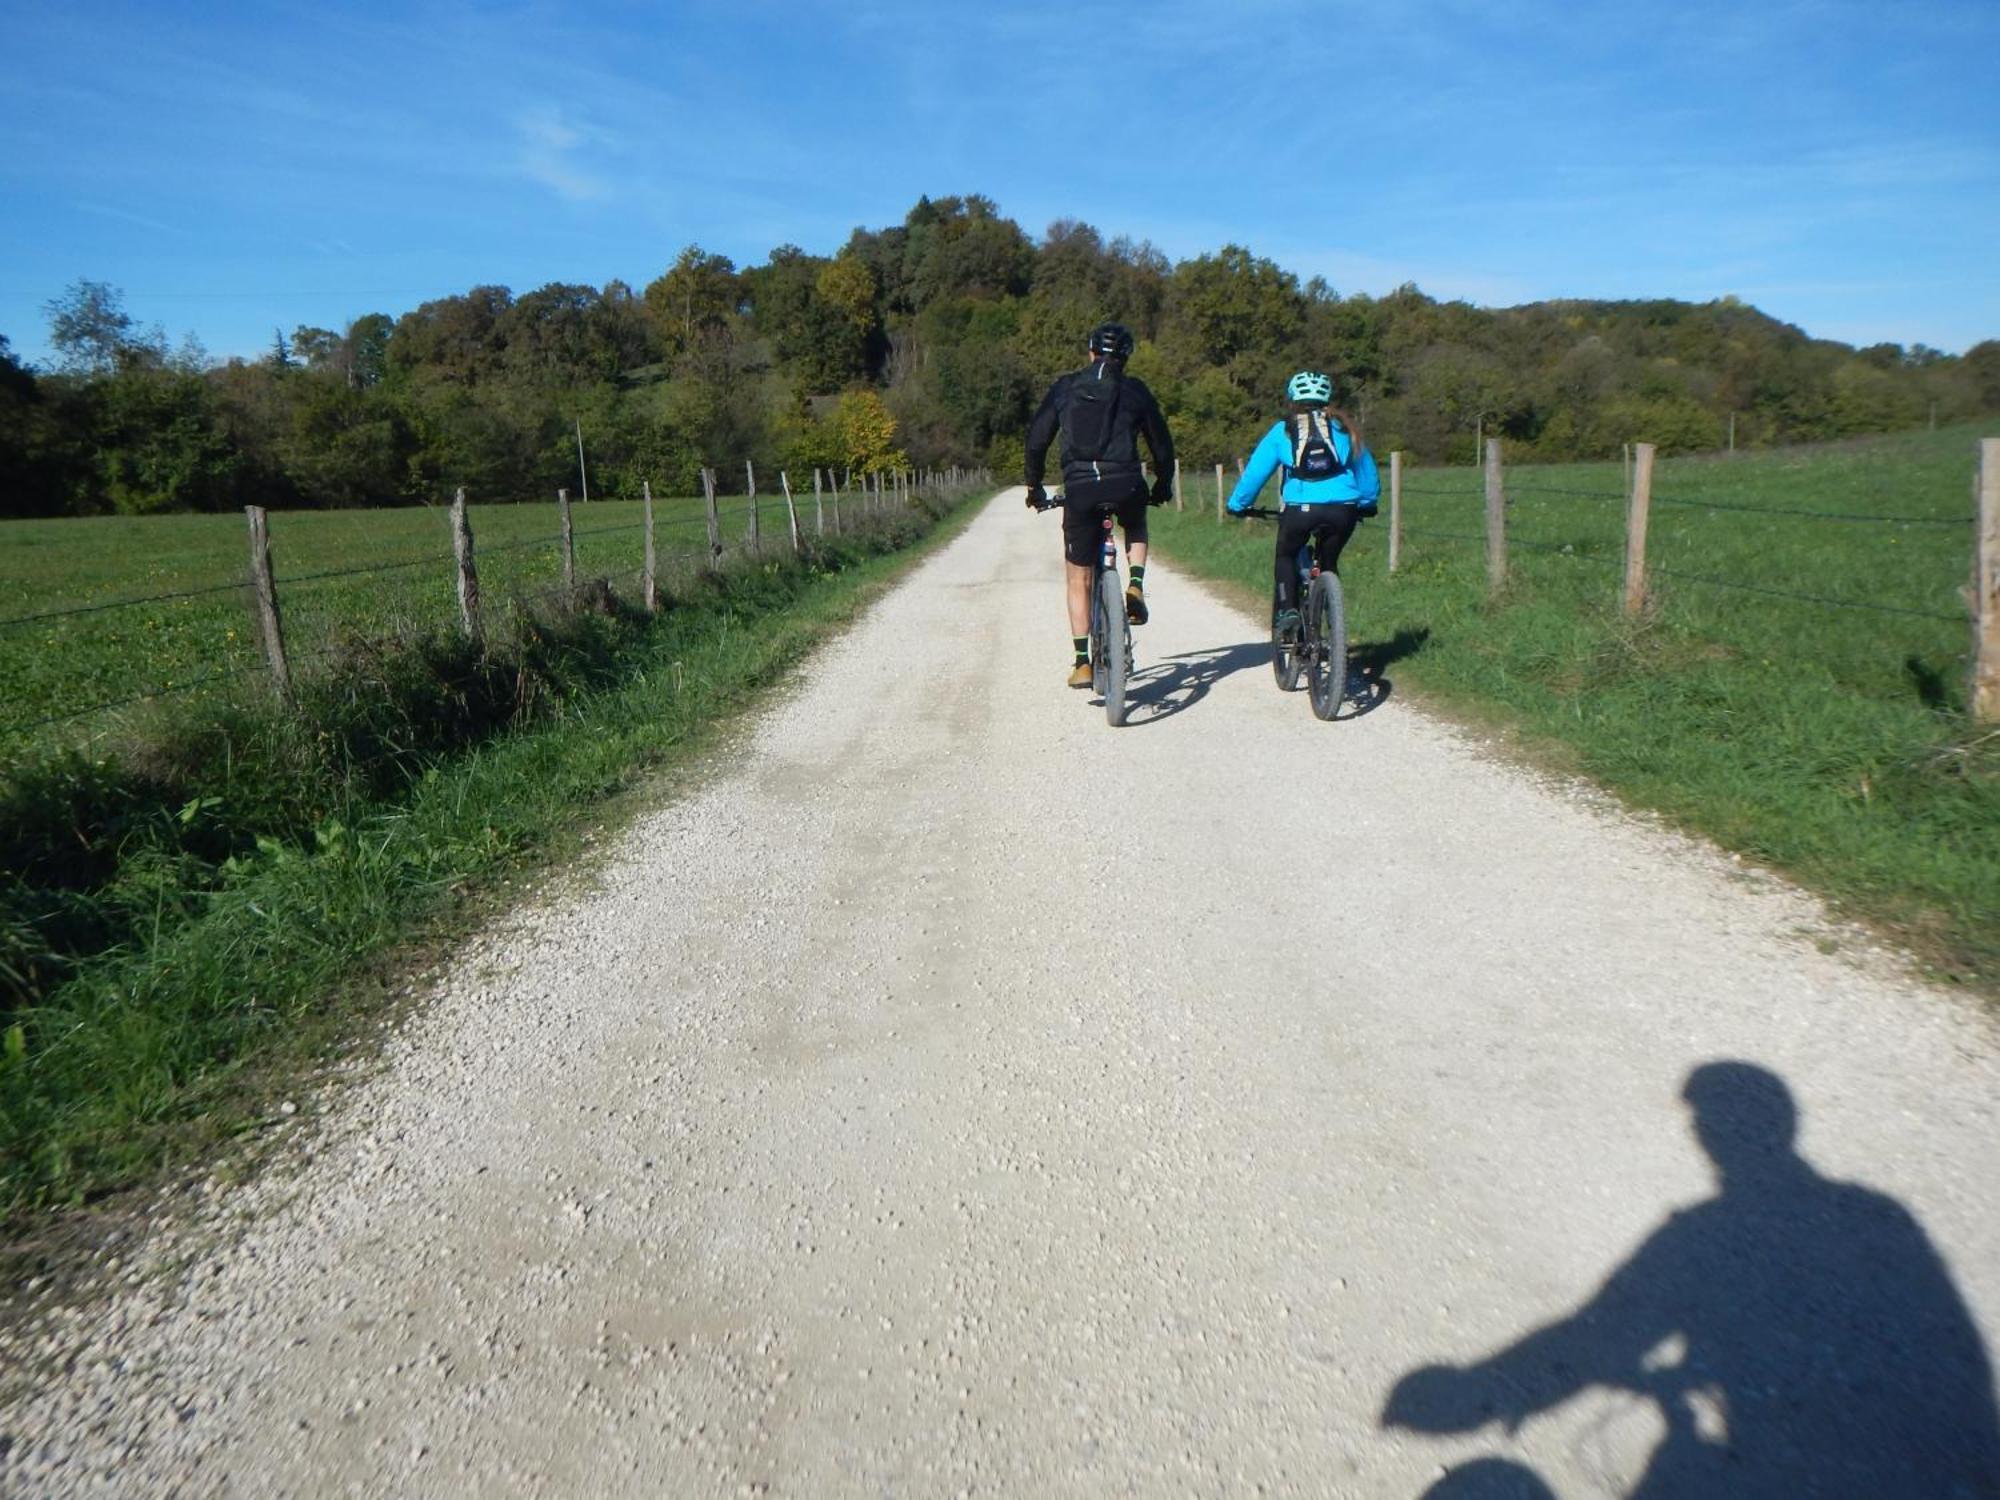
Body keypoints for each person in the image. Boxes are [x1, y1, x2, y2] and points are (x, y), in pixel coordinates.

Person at [1023, 321, 1176, 687]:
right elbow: (1161, 442)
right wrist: (1163, 484)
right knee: (1135, 523)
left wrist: (1034, 487)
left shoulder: (1066, 387)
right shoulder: (1135, 390)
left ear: (1091, 351)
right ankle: (1135, 583)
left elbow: (1037, 438)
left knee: (1078, 576)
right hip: (1125, 481)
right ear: (1126, 356)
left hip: (1079, 487)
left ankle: (1081, 662)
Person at [1224, 371, 1379, 640]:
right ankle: (1333, 625)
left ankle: (1288, 611)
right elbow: (1366, 470)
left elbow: (1255, 474)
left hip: (1300, 509)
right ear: (1327, 398)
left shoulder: (1282, 430)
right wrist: (1367, 503)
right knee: (1329, 562)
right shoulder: (1344, 428)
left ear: (1292, 398)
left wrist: (1238, 504)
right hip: (1344, 509)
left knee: (1285, 554)